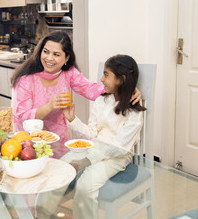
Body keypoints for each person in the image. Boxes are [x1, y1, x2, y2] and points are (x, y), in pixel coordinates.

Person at [11, 31, 141, 155]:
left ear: (66, 58)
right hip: (29, 142)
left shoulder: (69, 73)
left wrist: (126, 89)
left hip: (59, 141)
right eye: (45, 52)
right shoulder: (26, 79)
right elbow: (22, 116)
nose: (49, 58)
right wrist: (50, 106)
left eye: (56, 54)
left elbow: (91, 90)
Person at [60, 54, 147, 218]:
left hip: (118, 156)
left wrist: (88, 160)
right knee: (62, 166)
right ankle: (43, 212)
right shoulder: (102, 101)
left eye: (106, 75)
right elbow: (92, 132)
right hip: (95, 148)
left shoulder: (134, 112)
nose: (101, 79)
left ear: (121, 79)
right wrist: (72, 119)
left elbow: (119, 148)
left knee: (86, 185)